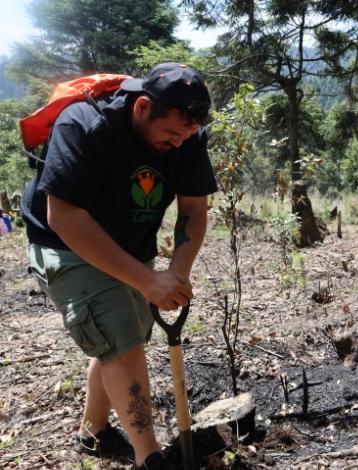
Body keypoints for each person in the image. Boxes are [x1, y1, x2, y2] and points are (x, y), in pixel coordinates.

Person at [21, 63, 216, 469]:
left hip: (129, 242)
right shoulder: (86, 124)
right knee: (123, 340)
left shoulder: (188, 135)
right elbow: (66, 217)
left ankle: (93, 432)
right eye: (171, 135)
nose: (179, 144)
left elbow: (194, 210)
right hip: (66, 242)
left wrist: (176, 272)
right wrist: (146, 279)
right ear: (143, 108)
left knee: (118, 339)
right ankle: (151, 458)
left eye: (187, 137)